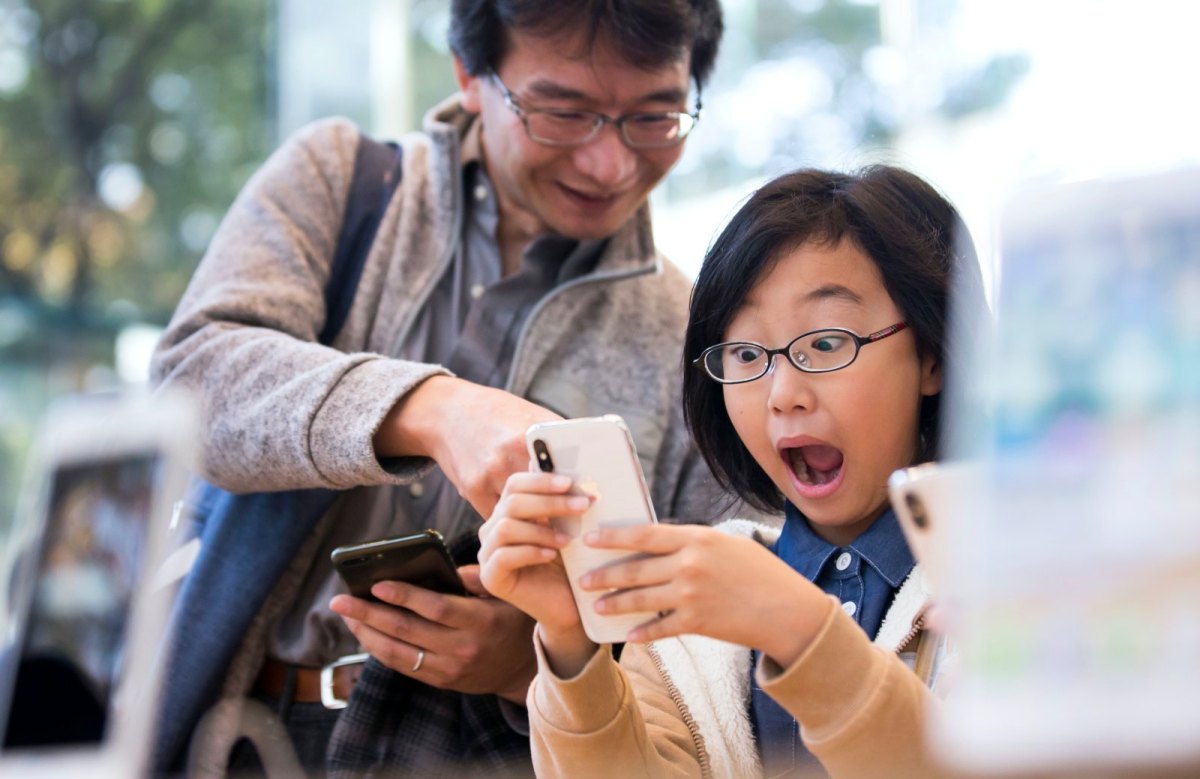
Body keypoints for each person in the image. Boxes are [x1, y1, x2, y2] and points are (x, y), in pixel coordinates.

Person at [149, 1, 749, 776]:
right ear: (470, 75)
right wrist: (432, 410)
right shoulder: (343, 182)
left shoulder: (688, 334)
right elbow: (191, 385)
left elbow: (710, 657)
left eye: (654, 117)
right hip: (238, 726)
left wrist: (532, 662)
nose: (610, 164)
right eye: (562, 113)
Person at [478, 165, 989, 778]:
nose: (783, 394)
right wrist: (570, 641)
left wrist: (798, 627)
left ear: (931, 355)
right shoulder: (691, 618)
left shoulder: (1021, 574)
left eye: (825, 343)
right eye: (747, 354)